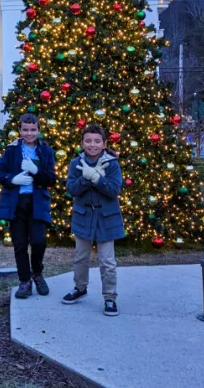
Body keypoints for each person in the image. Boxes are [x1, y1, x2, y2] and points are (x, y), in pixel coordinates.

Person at [62, 124, 125, 316]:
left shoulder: (112, 164)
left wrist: (98, 179)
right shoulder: (76, 164)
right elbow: (71, 189)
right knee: (81, 257)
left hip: (106, 218)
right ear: (82, 143)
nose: (92, 145)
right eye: (88, 141)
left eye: (97, 141)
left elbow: (114, 190)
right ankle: (80, 288)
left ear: (104, 144)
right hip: (84, 217)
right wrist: (85, 178)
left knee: (107, 261)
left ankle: (109, 297)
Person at [0, 113, 57, 299]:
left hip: (37, 203)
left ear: (38, 130)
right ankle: (25, 281)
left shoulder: (46, 151)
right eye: (25, 130)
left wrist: (36, 171)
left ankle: (37, 273)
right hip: (17, 204)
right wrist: (13, 179)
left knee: (39, 241)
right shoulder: (12, 150)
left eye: (33, 130)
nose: (29, 133)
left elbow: (51, 179)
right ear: (20, 130)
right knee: (20, 244)